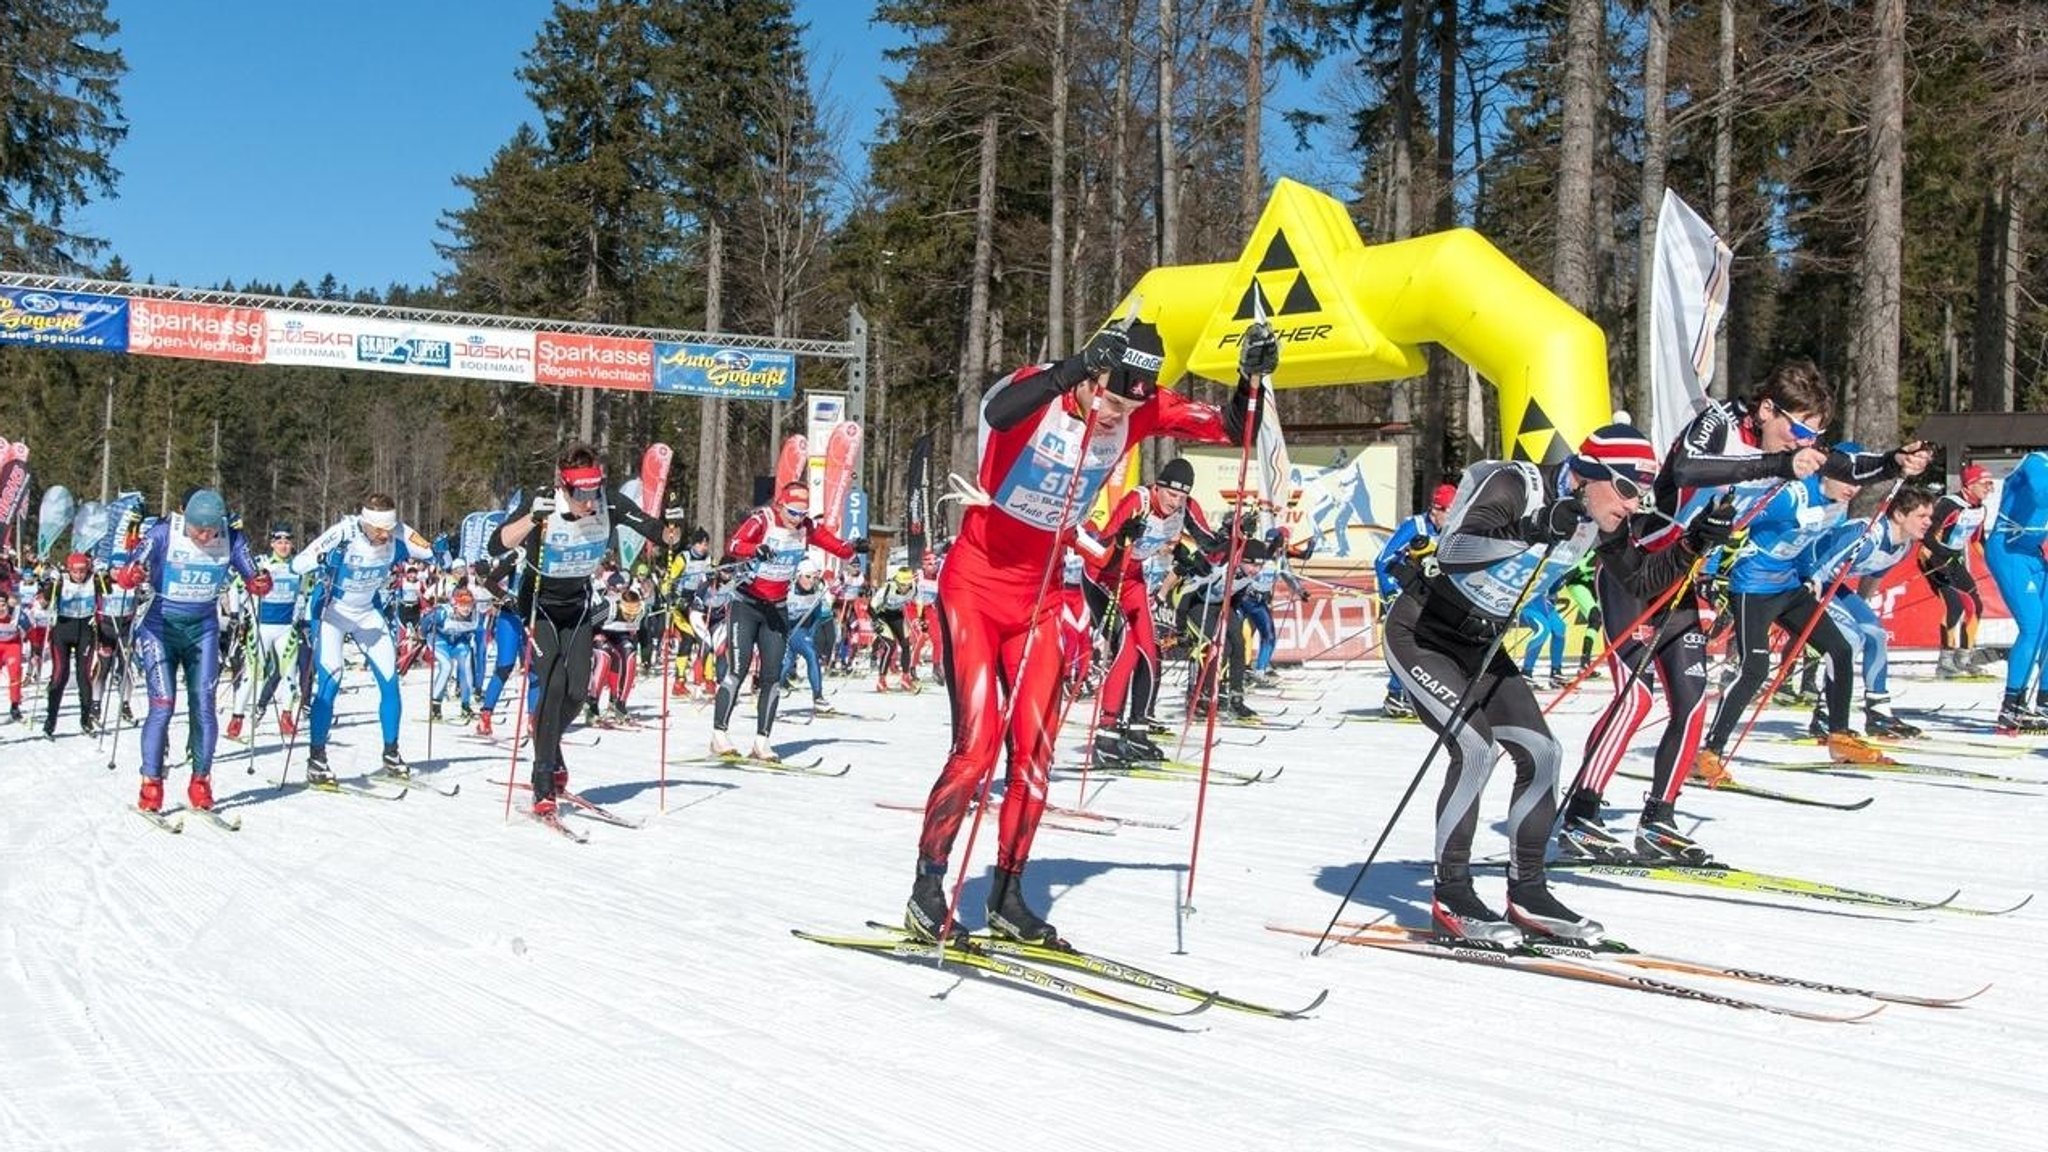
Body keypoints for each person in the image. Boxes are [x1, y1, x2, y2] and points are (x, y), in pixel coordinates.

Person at [903, 316, 1263, 947]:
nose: (1113, 415)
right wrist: (1070, 371)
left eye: (1128, 405)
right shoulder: (1040, 390)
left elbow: (1235, 430)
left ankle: (1008, 896)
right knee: (976, 749)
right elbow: (1001, 411)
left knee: (1035, 757)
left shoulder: (1142, 410)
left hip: (1040, 600)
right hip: (976, 589)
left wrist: (1250, 378)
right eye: (1108, 397)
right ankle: (928, 890)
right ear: (1093, 374)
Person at [1560, 360, 1929, 864]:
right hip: (1631, 568)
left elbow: (1841, 467)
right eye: (1797, 429)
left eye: (1812, 433)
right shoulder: (1720, 421)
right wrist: (1775, 467)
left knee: (1692, 701)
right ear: (1766, 409)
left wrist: (1893, 463)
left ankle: (1659, 821)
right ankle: (1580, 812)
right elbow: (1685, 468)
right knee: (1635, 701)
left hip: (1679, 575)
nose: (1801, 442)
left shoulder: (1789, 447)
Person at [1388, 424, 1693, 944]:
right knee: (1476, 749)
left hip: (1482, 644)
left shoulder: (1597, 516)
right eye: (1625, 489)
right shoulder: (1512, 483)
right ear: (1589, 474)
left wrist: (1700, 540)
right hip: (1423, 633)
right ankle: (1451, 895)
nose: (1631, 504)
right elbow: (1455, 549)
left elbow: (1642, 581)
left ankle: (1528, 893)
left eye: (1640, 494)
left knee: (1544, 754)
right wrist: (1534, 526)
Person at [489, 444, 677, 813]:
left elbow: (659, 533)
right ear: (563, 486)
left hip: (576, 606)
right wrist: (531, 519)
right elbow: (498, 543)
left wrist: (673, 527)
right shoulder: (540, 499)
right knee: (554, 683)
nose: (589, 502)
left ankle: (545, 738)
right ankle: (544, 777)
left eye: (594, 491)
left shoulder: (611, 504)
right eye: (580, 494)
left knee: (577, 691)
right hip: (538, 606)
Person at [115, 489, 267, 812]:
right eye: (200, 529)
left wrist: (259, 583)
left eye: (212, 529)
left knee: (204, 705)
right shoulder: (163, 534)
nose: (206, 536)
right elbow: (127, 572)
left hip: (203, 631)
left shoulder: (233, 538)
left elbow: (253, 574)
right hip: (160, 629)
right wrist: (131, 574)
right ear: (188, 521)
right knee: (163, 704)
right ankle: (151, 787)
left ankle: (201, 782)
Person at [712, 479, 863, 759]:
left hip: (776, 608)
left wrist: (853, 548)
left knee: (772, 676)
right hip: (746, 605)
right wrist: (754, 550)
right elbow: (734, 543)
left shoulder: (805, 527)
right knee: (738, 670)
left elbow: (834, 545)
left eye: (802, 513)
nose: (797, 519)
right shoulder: (763, 519)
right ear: (781, 505)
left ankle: (762, 742)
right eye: (792, 512)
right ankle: (719, 735)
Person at [293, 494, 433, 784]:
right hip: (331, 613)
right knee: (331, 681)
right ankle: (316, 758)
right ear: (366, 522)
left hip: (367, 614)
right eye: (379, 530)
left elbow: (430, 551)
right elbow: (298, 563)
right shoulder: (344, 532)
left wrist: (439, 555)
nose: (385, 535)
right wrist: (320, 560)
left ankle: (391, 753)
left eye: (388, 529)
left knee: (390, 682)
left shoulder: (399, 532)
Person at [1082, 456, 1215, 760]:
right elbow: (1103, 544)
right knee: (1127, 649)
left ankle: (1138, 730)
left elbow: (1211, 543)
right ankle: (1106, 733)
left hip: (1132, 579)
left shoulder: (1185, 508)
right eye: (1170, 494)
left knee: (1150, 653)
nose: (1174, 502)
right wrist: (1123, 535)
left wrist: (1238, 537)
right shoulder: (1137, 500)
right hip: (1102, 577)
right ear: (1157, 487)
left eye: (1181, 496)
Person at [1804, 486, 1937, 738]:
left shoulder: (1903, 545)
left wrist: (1861, 610)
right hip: (1809, 578)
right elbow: (1821, 567)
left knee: (1875, 632)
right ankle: (1825, 714)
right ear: (1899, 515)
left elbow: (1873, 576)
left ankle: (1878, 712)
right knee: (1850, 639)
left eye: (1929, 517)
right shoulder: (1868, 536)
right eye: (1922, 516)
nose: (1928, 523)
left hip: (1832, 583)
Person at [1375, 484, 1454, 719]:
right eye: (1450, 512)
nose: (1453, 518)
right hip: (1401, 591)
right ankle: (1396, 696)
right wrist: (1390, 591)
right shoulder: (1415, 527)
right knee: (1408, 645)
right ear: (1435, 510)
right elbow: (1382, 560)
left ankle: (1413, 694)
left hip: (1425, 594)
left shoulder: (1448, 530)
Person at [1984, 449, 2048, 734]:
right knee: (2032, 627)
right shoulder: (2037, 461)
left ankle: (2044, 702)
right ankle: (2012, 705)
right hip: (2006, 549)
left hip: (2033, 554)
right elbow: (2039, 494)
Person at [227, 526, 308, 740]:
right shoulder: (261, 563)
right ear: (272, 543)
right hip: (261, 627)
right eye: (279, 542)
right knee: (252, 675)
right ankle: (237, 718)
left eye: (287, 542)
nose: (283, 546)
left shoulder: (298, 566)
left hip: (286, 628)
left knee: (290, 673)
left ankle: (287, 716)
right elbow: (235, 587)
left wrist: (303, 618)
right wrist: (236, 614)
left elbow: (304, 593)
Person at [1920, 463, 1995, 678]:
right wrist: (1942, 553)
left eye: (1991, 483)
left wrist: (1995, 564)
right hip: (1931, 557)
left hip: (1953, 558)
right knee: (1953, 606)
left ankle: (1964, 657)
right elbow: (1926, 534)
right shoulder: (1949, 504)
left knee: (1975, 606)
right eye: (1985, 483)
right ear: (1970, 485)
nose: (1989, 488)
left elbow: (1978, 540)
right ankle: (1945, 660)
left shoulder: (1980, 508)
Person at [41, 551, 100, 738]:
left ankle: (86, 720)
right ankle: (50, 721)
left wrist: (102, 573)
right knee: (59, 675)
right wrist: (51, 582)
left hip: (86, 631)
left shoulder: (94, 580)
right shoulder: (61, 581)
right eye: (76, 571)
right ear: (69, 570)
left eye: (83, 571)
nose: (80, 575)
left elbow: (110, 588)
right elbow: (46, 598)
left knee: (84, 675)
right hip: (63, 631)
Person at [781, 557, 834, 711]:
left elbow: (816, 617)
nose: (811, 581)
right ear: (798, 576)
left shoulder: (816, 594)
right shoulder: (787, 591)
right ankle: (769, 690)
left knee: (811, 654)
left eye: (814, 577)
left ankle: (818, 697)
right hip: (784, 629)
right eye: (807, 577)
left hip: (800, 630)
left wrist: (810, 635)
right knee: (786, 663)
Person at [424, 586, 484, 723]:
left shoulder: (475, 616)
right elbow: (426, 622)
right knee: (446, 666)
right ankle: (435, 706)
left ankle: (465, 705)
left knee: (466, 666)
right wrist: (421, 637)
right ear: (455, 604)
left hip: (459, 641)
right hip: (439, 640)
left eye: (469, 604)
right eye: (462, 604)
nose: (466, 608)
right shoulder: (443, 613)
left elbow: (479, 634)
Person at [869, 565, 916, 692]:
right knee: (891, 645)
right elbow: (871, 607)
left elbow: (918, 603)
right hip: (882, 616)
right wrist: (875, 622)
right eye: (901, 584)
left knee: (906, 645)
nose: (904, 588)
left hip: (896, 616)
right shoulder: (888, 587)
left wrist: (920, 618)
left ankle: (905, 678)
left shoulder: (914, 588)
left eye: (906, 584)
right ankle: (881, 680)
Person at [0, 594, 25, 722]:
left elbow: (30, 628)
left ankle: (15, 706)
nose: (0, 609)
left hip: (12, 645)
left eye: (3, 605)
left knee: (15, 672)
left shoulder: (16, 613)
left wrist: (36, 650)